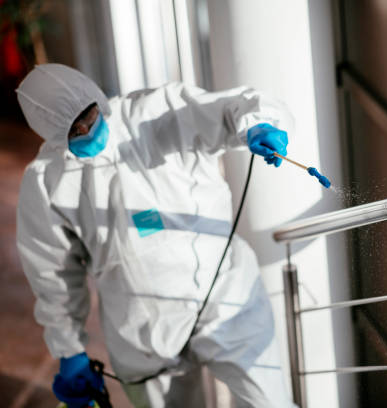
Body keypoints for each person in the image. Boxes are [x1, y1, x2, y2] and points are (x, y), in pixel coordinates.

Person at [15, 63, 294, 407]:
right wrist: (68, 348)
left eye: (89, 115)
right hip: (144, 329)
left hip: (224, 296)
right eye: (75, 129)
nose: (88, 129)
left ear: (96, 97)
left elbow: (231, 108)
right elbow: (51, 272)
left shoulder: (156, 111)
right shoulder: (46, 181)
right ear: (53, 135)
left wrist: (257, 125)